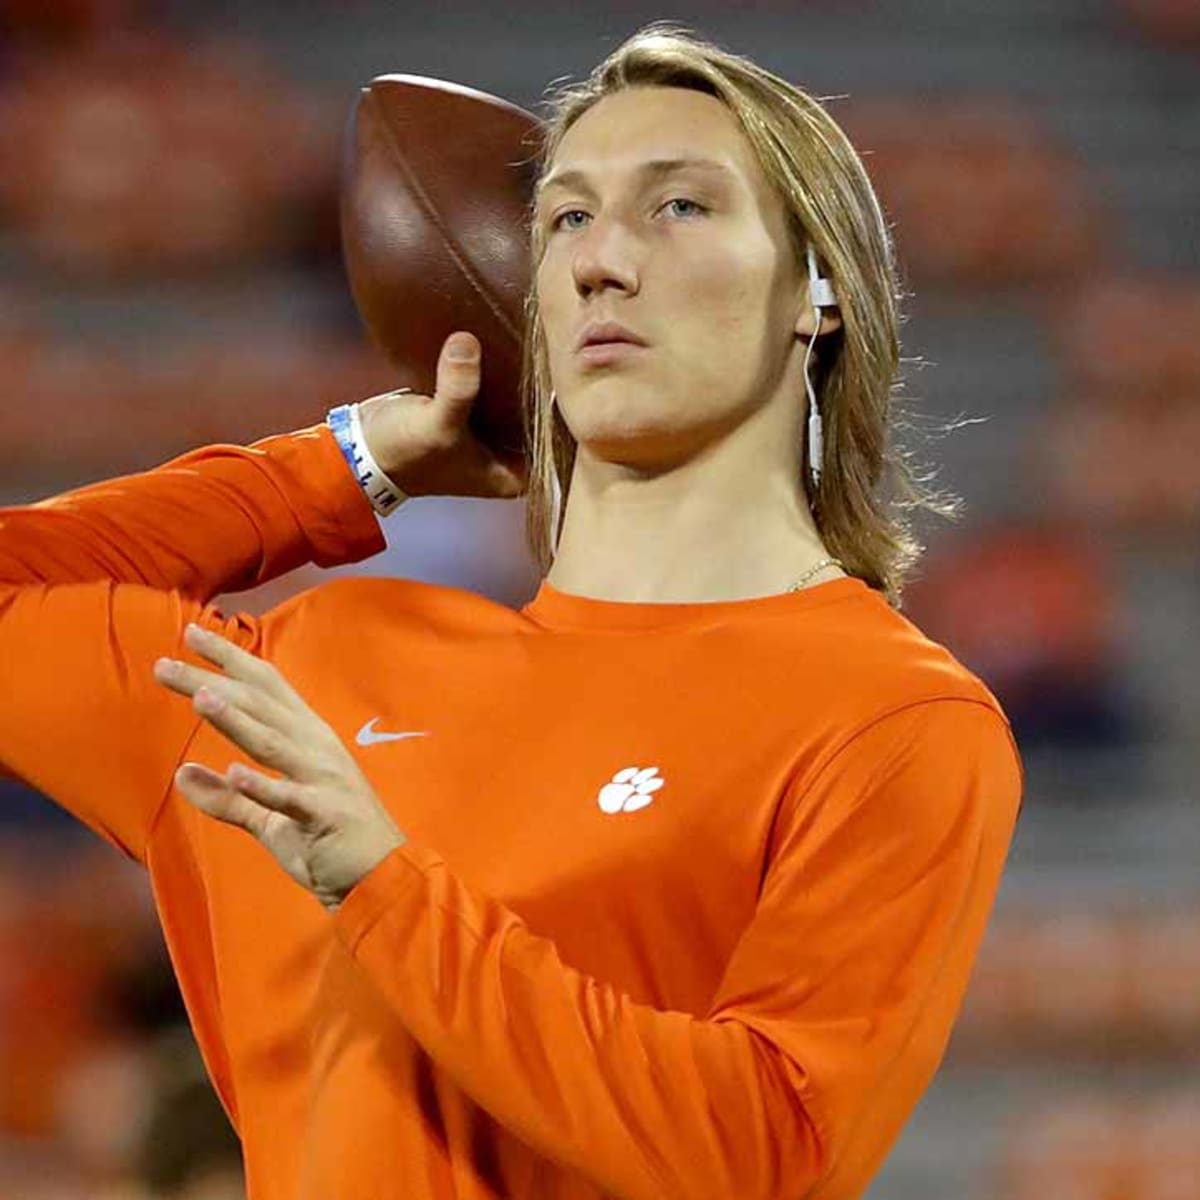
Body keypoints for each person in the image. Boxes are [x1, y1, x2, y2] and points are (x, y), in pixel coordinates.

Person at [0, 22, 1023, 1200]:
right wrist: (343, 465)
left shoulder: (891, 717)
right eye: (567, 219)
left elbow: (762, 1151)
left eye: (679, 206)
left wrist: (385, 888)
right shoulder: (310, 683)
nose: (602, 260)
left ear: (816, 292)